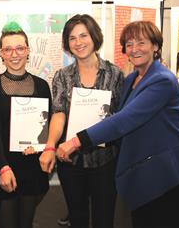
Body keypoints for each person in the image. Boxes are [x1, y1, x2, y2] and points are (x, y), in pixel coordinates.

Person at [57, 21, 179, 228]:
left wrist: (77, 141)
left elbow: (124, 119)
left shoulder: (162, 80)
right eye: (129, 44)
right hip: (142, 177)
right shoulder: (131, 79)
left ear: (155, 46)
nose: (134, 49)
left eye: (141, 42)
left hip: (166, 176)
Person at [39, 14, 124, 228]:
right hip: (71, 160)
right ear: (67, 44)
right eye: (72, 38)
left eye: (83, 35)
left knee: (104, 219)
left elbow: (121, 117)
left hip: (105, 160)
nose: (79, 42)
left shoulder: (115, 74)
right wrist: (50, 145)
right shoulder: (62, 76)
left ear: (94, 36)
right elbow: (58, 113)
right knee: (77, 219)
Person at [0, 22, 51, 228]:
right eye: (8, 49)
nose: (14, 54)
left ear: (28, 51)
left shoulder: (42, 85)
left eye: (20, 48)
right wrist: (3, 167)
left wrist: (39, 146)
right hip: (3, 165)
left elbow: (45, 125)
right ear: (1, 53)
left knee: (26, 224)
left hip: (31, 167)